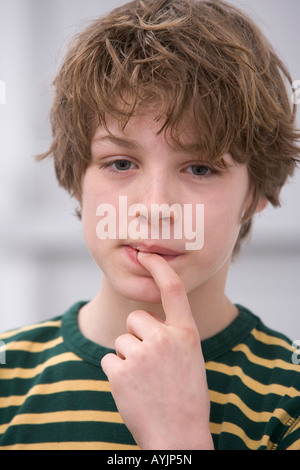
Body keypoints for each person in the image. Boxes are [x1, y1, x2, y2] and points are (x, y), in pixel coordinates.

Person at [0, 0, 299, 450]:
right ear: (76, 178)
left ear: (255, 194)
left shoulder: (290, 398)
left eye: (200, 168)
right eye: (120, 162)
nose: (155, 206)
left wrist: (177, 438)